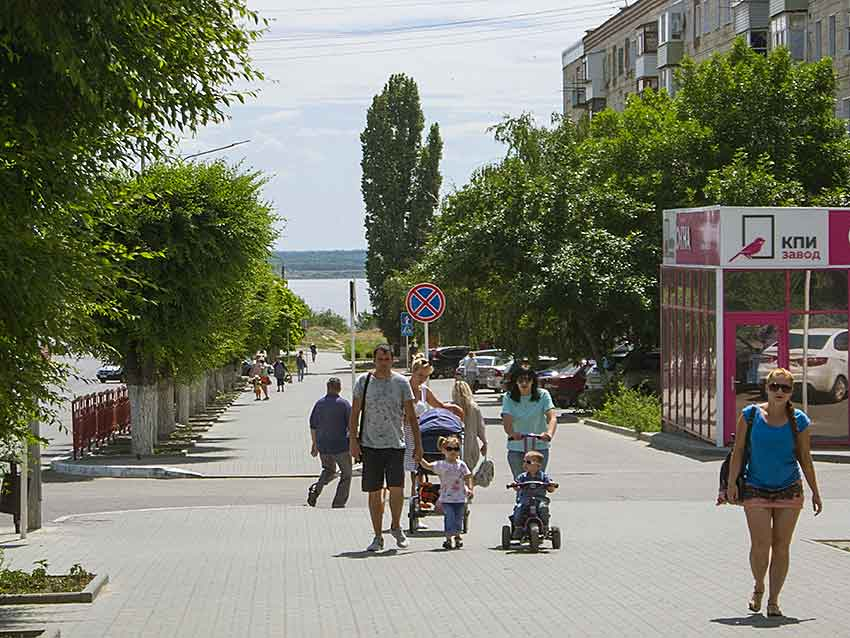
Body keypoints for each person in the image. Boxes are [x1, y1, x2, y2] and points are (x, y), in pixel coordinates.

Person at [726, 367, 822, 618]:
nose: (779, 392)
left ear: (791, 392)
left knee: (781, 547)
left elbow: (805, 457)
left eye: (785, 388)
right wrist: (731, 483)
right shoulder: (750, 415)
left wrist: (815, 491)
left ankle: (774, 600)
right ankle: (759, 586)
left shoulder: (799, 419)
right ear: (766, 388)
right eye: (774, 386)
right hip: (756, 487)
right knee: (761, 545)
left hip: (789, 489)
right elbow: (737, 451)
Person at [349, 344, 422, 552]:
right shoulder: (363, 382)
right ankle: (378, 536)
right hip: (370, 445)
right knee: (374, 491)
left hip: (395, 444)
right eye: (380, 359)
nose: (383, 363)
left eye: (387, 359)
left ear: (392, 360)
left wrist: (418, 445)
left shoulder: (400, 383)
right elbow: (354, 414)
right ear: (374, 360)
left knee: (396, 488)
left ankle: (396, 526)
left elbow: (411, 416)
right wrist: (353, 442)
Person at [502, 364, 557, 479]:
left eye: (528, 380)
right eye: (520, 380)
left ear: (533, 381)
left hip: (539, 446)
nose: (524, 384)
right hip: (517, 447)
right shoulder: (508, 397)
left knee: (539, 481)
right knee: (520, 483)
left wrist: (548, 434)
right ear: (515, 381)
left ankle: (540, 497)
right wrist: (512, 433)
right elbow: (507, 419)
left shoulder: (543, 395)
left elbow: (552, 417)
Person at [419, 435, 472, 550]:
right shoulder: (441, 465)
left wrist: (470, 488)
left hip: (460, 497)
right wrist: (419, 458)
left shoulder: (461, 465)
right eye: (449, 449)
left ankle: (457, 536)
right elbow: (427, 466)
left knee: (459, 518)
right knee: (449, 517)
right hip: (446, 498)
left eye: (456, 449)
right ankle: (448, 538)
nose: (453, 452)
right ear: (443, 450)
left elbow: (468, 476)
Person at [307, 378, 353, 508]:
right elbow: (351, 426)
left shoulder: (319, 404)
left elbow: (313, 426)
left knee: (328, 470)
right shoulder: (344, 404)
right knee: (346, 474)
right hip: (341, 446)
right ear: (339, 388)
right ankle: (338, 503)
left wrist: (314, 444)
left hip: (323, 445)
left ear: (327, 388)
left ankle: (316, 489)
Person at [510, 450, 557, 536]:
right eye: (524, 461)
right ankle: (518, 528)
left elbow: (551, 488)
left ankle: (545, 526)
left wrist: (551, 485)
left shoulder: (543, 477)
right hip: (525, 499)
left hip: (540, 499)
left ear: (538, 465)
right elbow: (517, 486)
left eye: (528, 462)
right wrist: (514, 485)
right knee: (519, 508)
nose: (524, 464)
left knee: (543, 508)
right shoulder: (522, 476)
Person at [452, 380, 488, 471]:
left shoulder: (452, 408)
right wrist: (484, 442)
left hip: (454, 446)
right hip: (471, 445)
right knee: (468, 472)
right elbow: (480, 427)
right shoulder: (474, 407)